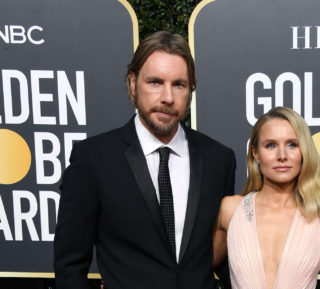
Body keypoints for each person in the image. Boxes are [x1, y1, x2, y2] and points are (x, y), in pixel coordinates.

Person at [54, 31, 236, 289]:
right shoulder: (93, 159)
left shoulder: (219, 159)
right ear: (132, 82)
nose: (168, 98)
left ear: (190, 90)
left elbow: (224, 256)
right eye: (155, 82)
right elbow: (69, 264)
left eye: (179, 84)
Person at [213, 107, 320, 289]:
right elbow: (197, 269)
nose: (282, 156)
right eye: (271, 145)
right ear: (255, 153)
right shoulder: (230, 210)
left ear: (304, 151)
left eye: (292, 145)